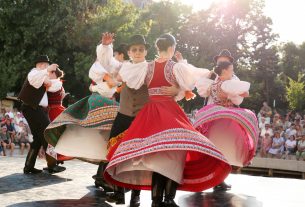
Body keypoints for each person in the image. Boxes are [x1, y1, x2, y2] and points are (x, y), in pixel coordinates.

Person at [103, 33, 231, 207]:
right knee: (174, 153)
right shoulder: (175, 67)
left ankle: (156, 200)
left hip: (150, 113)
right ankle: (168, 199)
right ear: (171, 49)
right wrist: (180, 88)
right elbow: (196, 76)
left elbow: (128, 78)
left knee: (157, 156)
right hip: (168, 112)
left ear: (157, 49)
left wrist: (178, 88)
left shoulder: (145, 67)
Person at [95, 33, 179, 206]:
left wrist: (177, 89)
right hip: (123, 115)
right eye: (134, 49)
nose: (138, 52)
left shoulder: (151, 68)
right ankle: (118, 193)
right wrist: (105, 46)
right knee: (116, 151)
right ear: (129, 52)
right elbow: (106, 63)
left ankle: (135, 195)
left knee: (139, 157)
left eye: (141, 49)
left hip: (143, 118)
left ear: (146, 51)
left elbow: (167, 80)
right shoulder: (123, 67)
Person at [194, 60, 259, 191]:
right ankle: (218, 180)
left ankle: (212, 180)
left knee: (215, 152)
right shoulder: (226, 84)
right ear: (224, 71)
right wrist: (242, 93)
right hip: (224, 122)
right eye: (231, 70)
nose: (233, 72)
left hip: (214, 121)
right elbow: (243, 93)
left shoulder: (212, 84)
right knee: (226, 151)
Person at [18, 55, 66, 174]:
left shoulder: (42, 75)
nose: (47, 67)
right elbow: (40, 80)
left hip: (34, 109)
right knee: (48, 133)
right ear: (39, 65)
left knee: (39, 138)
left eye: (47, 65)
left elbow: (51, 84)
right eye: (45, 65)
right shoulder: (34, 73)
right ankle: (52, 165)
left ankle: (28, 166)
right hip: (32, 108)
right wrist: (47, 72)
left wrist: (50, 78)